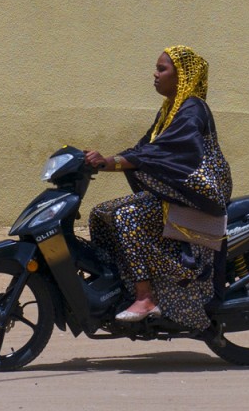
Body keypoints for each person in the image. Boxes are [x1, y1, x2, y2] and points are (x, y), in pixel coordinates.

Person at [84, 46, 232, 330]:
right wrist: (104, 162)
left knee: (126, 216)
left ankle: (145, 297)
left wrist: (111, 162)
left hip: (197, 196)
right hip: (177, 193)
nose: (155, 74)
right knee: (101, 212)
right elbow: (144, 150)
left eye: (162, 69)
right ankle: (120, 284)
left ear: (183, 76)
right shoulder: (170, 110)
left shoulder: (192, 110)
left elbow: (162, 154)